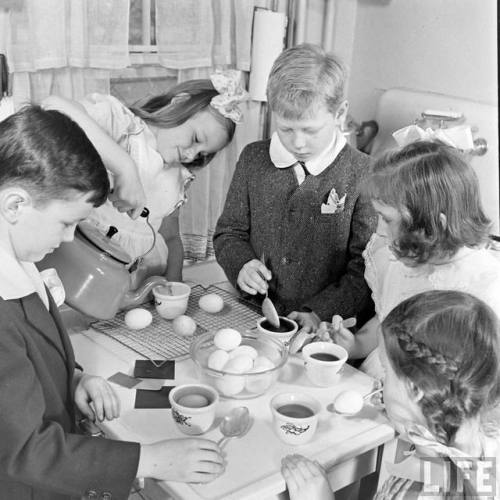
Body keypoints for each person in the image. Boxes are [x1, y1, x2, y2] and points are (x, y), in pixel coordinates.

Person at [0, 106, 224, 500]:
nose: (70, 238)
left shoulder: (21, 260)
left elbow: (26, 368)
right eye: (65, 222)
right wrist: (150, 460)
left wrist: (73, 380)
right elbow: (25, 451)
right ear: (15, 205)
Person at [213, 44, 376, 331]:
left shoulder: (364, 173)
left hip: (327, 330)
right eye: (286, 129)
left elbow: (365, 266)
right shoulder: (253, 159)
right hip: (254, 316)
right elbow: (229, 233)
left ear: (340, 114)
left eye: (311, 130)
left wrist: (319, 312)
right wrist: (242, 265)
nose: (298, 143)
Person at [281, 290, 500, 499]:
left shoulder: (418, 494)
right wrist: (401, 407)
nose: (382, 381)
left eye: (386, 371)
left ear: (415, 390)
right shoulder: (479, 441)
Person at [42, 70, 246, 284]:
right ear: (179, 103)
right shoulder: (121, 126)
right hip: (76, 266)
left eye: (203, 153)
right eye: (196, 139)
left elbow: (170, 237)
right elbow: (53, 107)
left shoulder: (177, 178)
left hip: (131, 282)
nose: (192, 154)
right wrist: (125, 168)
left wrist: (174, 283)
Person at [324, 140, 500, 375]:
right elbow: (387, 319)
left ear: (434, 226)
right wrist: (355, 345)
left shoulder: (484, 291)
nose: (379, 231)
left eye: (387, 220)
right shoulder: (396, 261)